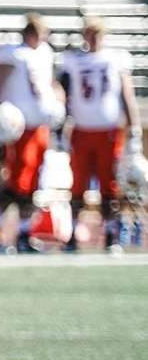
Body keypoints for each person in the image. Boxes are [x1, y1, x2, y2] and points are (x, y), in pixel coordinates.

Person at [59, 18, 142, 253]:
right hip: (81, 130)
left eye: (97, 33)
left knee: (110, 186)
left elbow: (126, 94)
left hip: (109, 130)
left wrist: (133, 128)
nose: (93, 38)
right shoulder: (73, 60)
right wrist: (60, 125)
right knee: (77, 186)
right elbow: (62, 93)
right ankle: (73, 234)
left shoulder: (115, 58)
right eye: (89, 33)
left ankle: (112, 235)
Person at [0, 15, 62, 254]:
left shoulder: (45, 53)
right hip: (17, 129)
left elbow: (49, 84)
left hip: (39, 126)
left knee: (33, 183)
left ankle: (25, 233)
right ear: (29, 34)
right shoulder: (12, 54)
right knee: (15, 183)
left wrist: (57, 103)